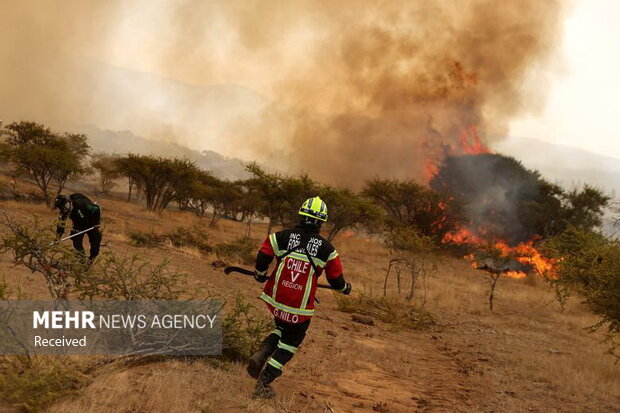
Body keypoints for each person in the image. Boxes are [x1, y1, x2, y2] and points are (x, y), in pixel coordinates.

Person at [248, 196, 352, 399]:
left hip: (277, 299)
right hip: (299, 306)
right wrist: (345, 288)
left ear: (301, 214)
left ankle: (262, 353)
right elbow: (335, 279)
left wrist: (260, 274)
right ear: (321, 221)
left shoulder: (281, 237)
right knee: (290, 344)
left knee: (282, 327)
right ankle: (263, 383)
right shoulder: (327, 250)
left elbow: (264, 255)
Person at [54, 193, 102, 262]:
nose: (64, 210)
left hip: (91, 224)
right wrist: (57, 238)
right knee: (76, 240)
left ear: (68, 203)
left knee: (96, 239)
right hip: (78, 225)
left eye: (65, 207)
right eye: (61, 208)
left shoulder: (81, 203)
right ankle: (82, 260)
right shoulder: (64, 212)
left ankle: (91, 260)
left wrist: (96, 223)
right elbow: (61, 225)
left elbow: (97, 209)